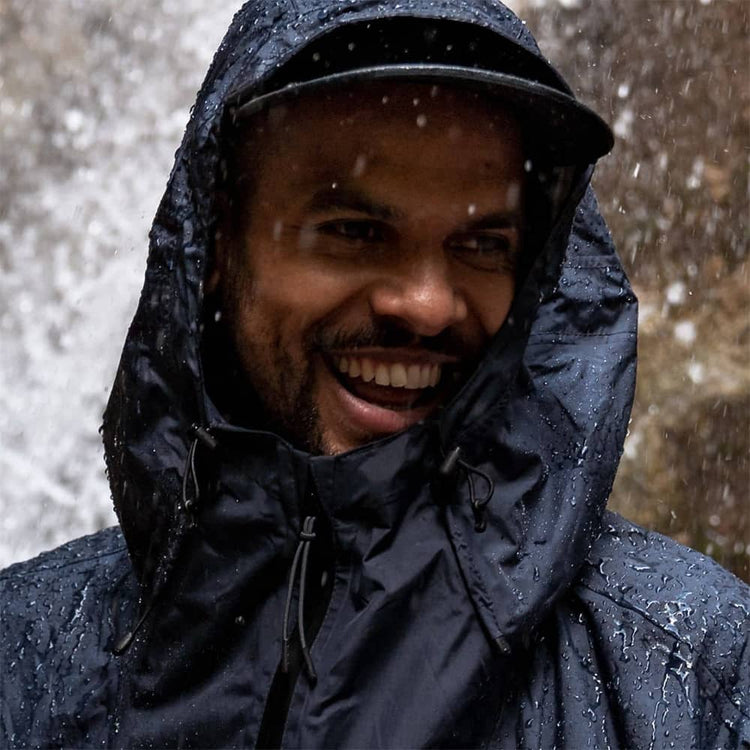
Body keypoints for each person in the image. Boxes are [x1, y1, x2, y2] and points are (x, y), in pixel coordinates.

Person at [1, 0, 748, 747]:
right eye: (354, 231)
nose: (427, 304)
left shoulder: (694, 674)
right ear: (217, 244)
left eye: (482, 244)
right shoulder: (23, 659)